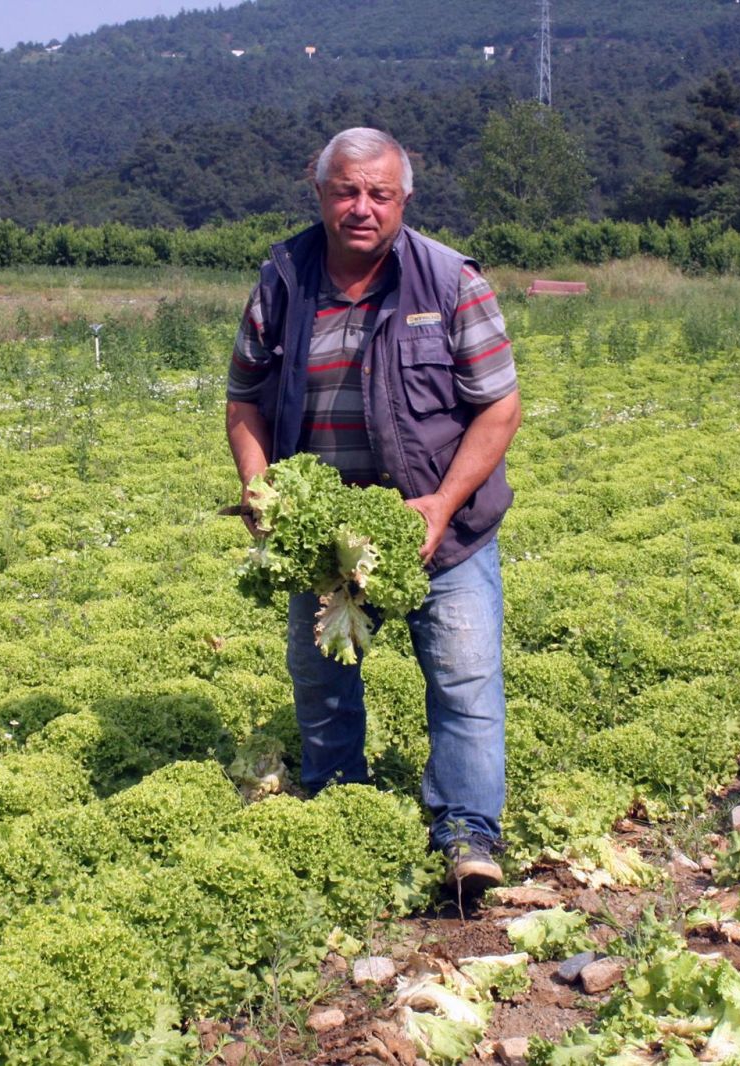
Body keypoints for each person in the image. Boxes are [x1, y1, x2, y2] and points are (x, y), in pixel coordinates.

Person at [224, 128, 521, 894]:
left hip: (442, 535)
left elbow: (499, 409)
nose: (362, 207)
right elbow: (246, 400)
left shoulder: (452, 281)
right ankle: (338, 804)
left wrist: (440, 505)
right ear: (319, 191)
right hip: (324, 543)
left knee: (463, 680)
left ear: (404, 198)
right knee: (322, 681)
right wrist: (261, 488)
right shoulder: (284, 280)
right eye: (347, 191)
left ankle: (467, 832)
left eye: (379, 193)